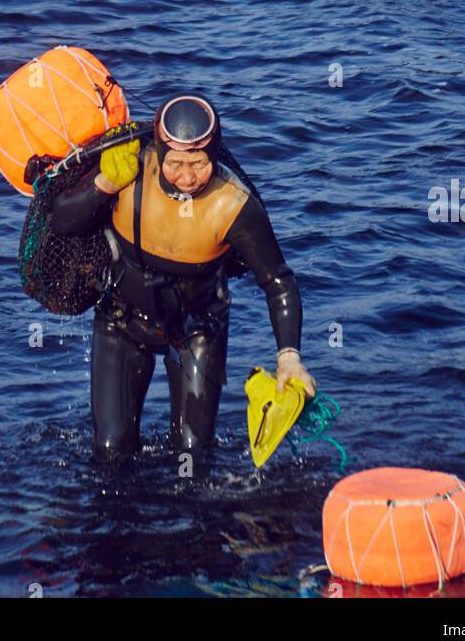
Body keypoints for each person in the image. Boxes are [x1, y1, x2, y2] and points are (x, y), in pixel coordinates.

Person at [49, 93, 315, 460]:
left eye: (199, 163)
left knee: (192, 455)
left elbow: (279, 283)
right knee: (111, 451)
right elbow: (61, 221)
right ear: (157, 153)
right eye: (175, 163)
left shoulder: (234, 205)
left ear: (215, 154)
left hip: (197, 331)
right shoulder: (129, 172)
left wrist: (289, 358)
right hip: (121, 324)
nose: (188, 177)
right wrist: (104, 185)